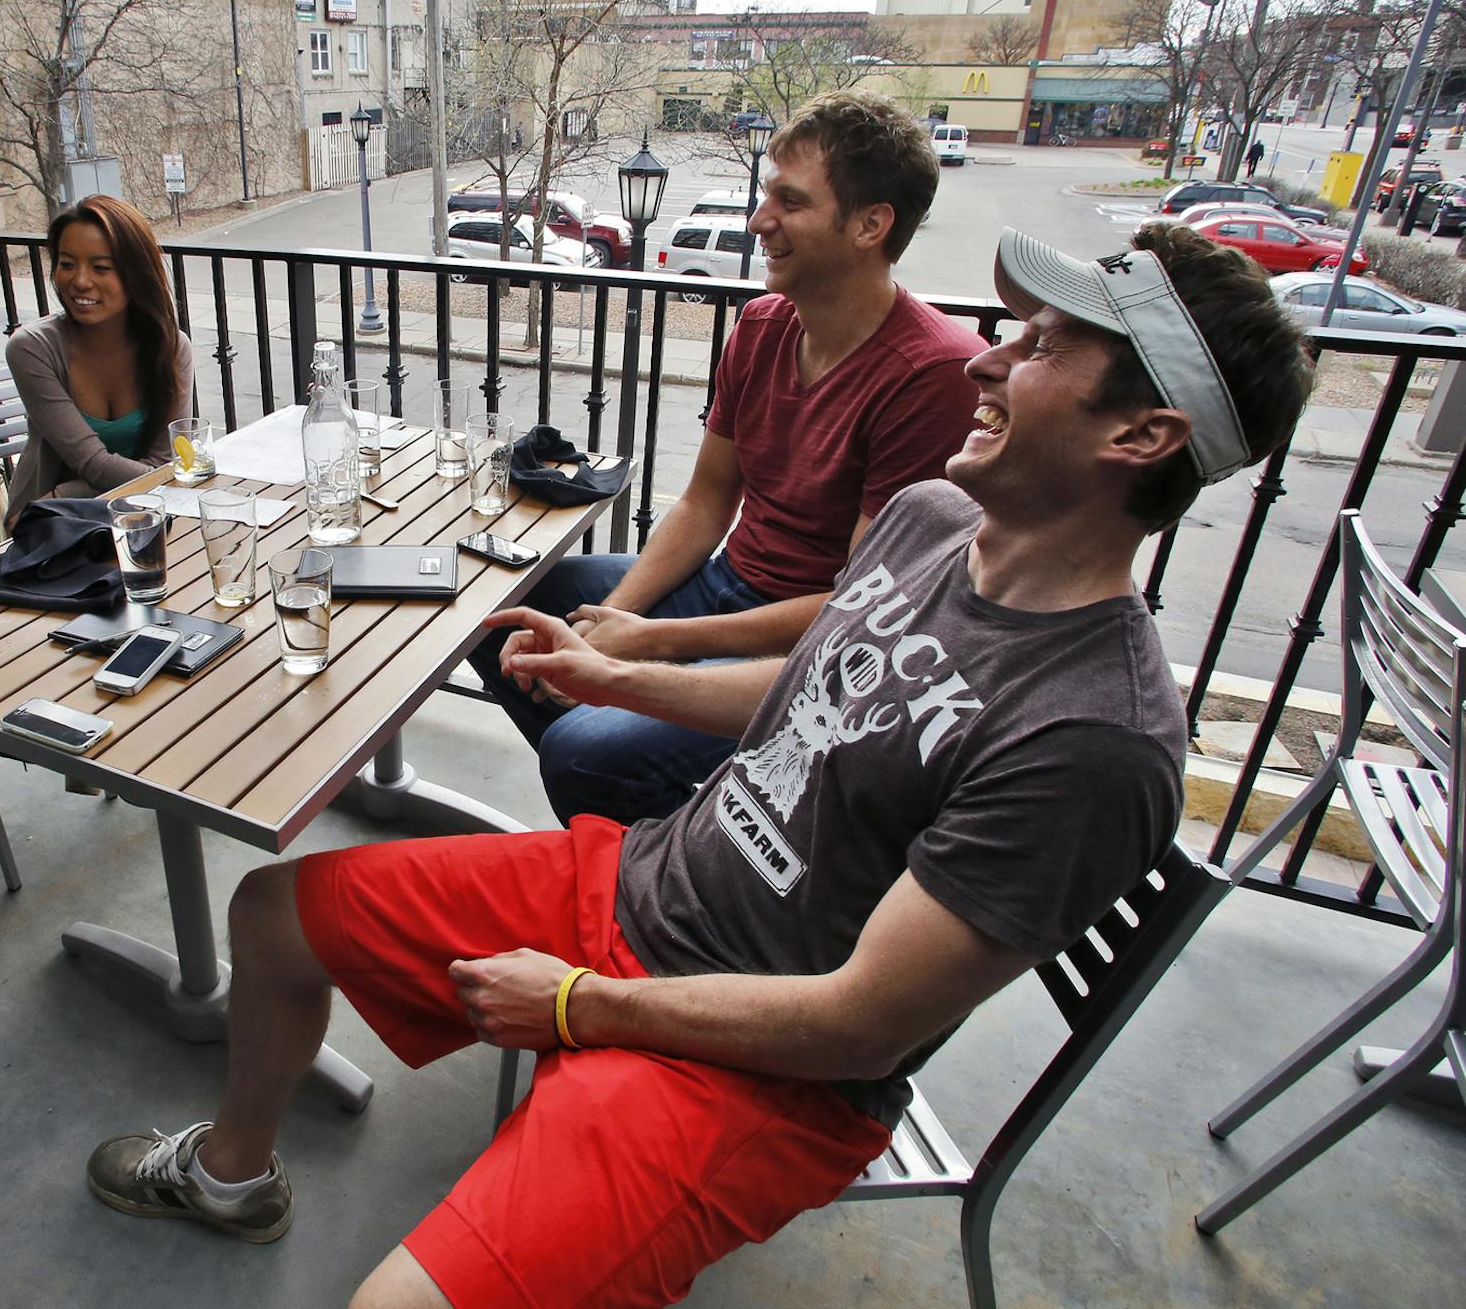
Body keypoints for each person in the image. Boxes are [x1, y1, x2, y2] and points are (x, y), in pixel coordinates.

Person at [82, 220, 1314, 1309]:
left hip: (765, 1071)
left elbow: (857, 1024)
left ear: (1145, 433)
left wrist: (577, 1006)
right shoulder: (935, 520)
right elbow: (819, 694)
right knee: (279, 905)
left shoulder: (1094, 738)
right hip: (640, 886)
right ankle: (232, 1176)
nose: (988, 360)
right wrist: (620, 675)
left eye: (1044, 349)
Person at [468, 91, 986, 825]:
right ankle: (667, 819)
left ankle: (664, 860)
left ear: (871, 225)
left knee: (584, 750)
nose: (758, 220)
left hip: (812, 646)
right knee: (503, 622)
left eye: (790, 201)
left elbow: (858, 611)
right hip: (723, 585)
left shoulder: (931, 376)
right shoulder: (764, 324)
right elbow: (707, 502)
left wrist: (642, 646)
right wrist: (608, 624)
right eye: (765, 193)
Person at [0, 194, 196, 530]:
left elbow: (165, 461)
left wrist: (63, 491)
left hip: (136, 518)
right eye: (67, 264)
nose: (80, 281)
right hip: (47, 527)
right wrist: (161, 480)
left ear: (137, 274)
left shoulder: (171, 348)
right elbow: (91, 461)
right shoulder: (32, 349)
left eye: (101, 267)